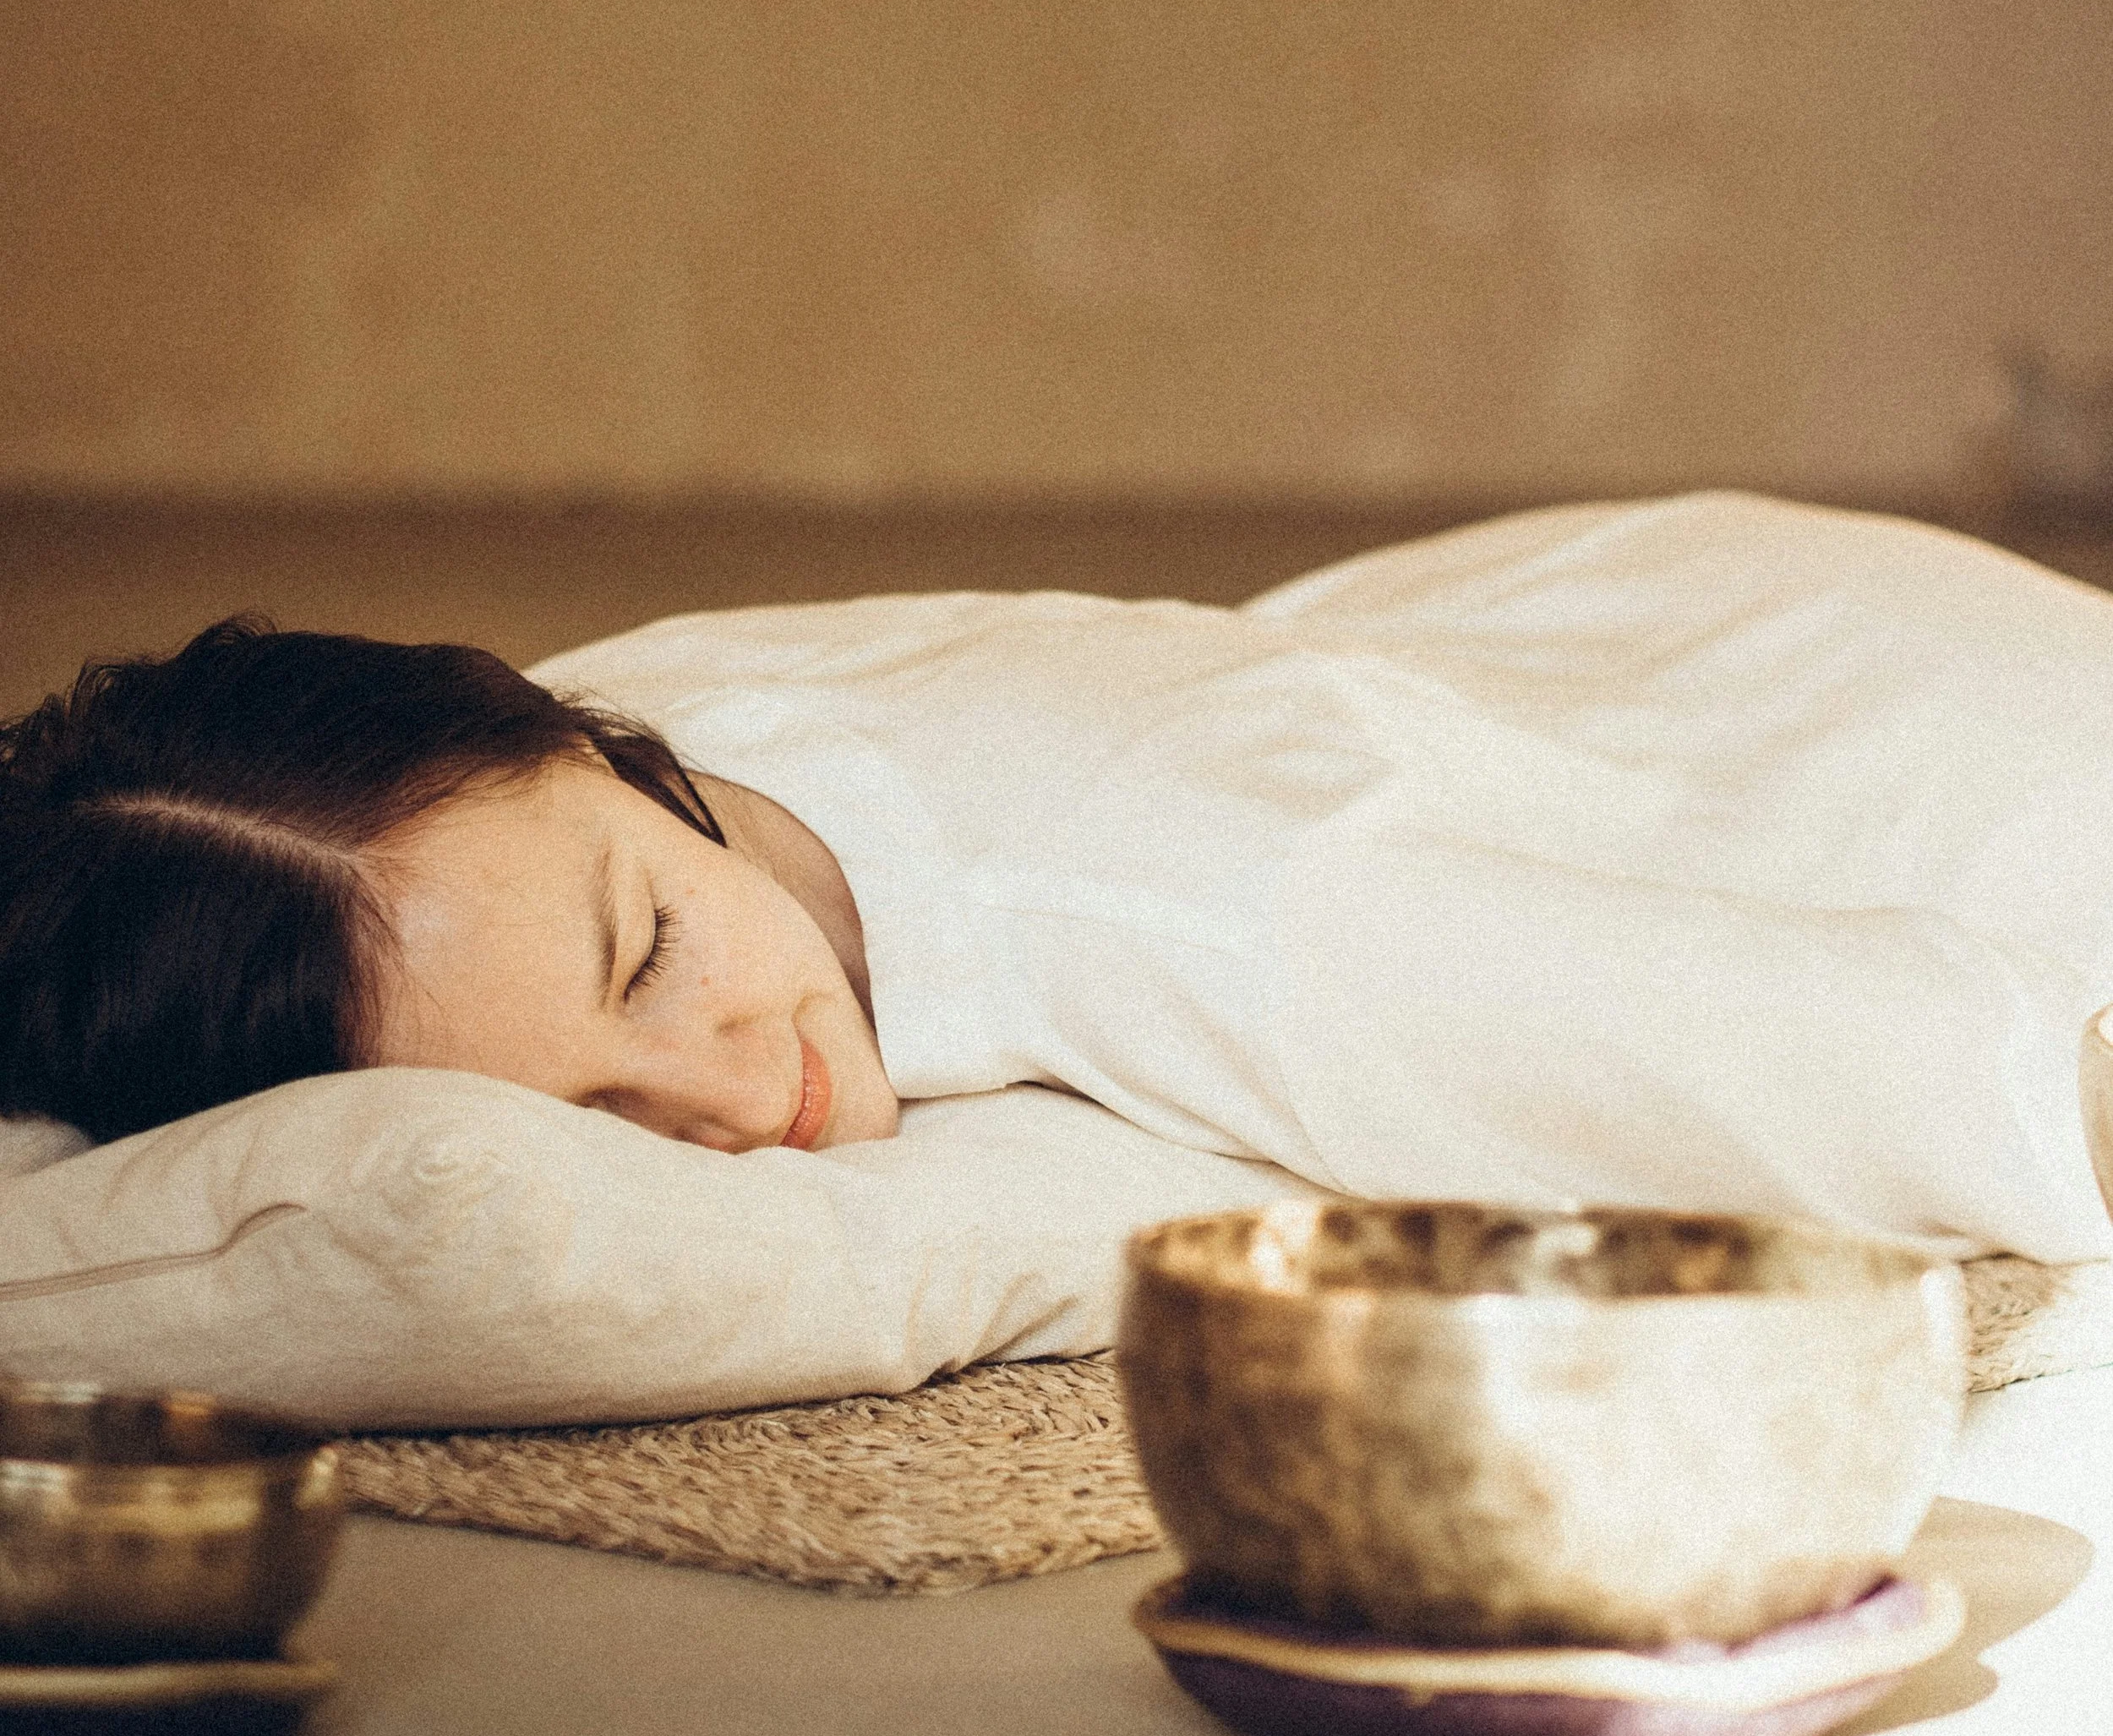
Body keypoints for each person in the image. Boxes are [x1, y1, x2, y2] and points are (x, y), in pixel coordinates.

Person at [7, 491, 2113, 1263]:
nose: (735, 1101)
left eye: (654, 962)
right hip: (1612, 623)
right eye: (599, 1122)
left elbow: (1924, 1070)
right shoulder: (498, 796)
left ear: (598, 755)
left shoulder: (1246, 917)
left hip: (1965, 774)